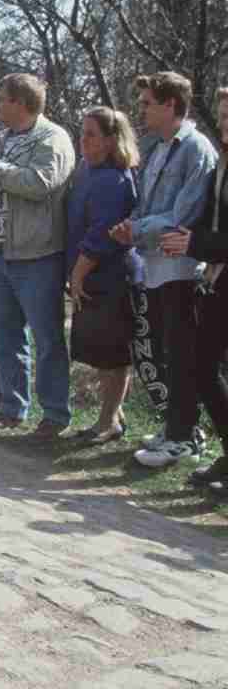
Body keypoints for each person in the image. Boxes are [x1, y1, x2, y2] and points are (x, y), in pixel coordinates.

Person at [0, 73, 76, 438]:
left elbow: (40, 184)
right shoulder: (0, 140)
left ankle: (54, 415)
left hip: (36, 254)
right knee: (5, 334)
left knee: (47, 337)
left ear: (21, 103)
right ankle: (12, 408)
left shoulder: (51, 138)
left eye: (2, 99)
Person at [111, 72, 219, 467]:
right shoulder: (158, 148)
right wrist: (131, 227)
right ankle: (177, 427)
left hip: (182, 269)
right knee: (167, 354)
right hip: (154, 266)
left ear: (171, 104)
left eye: (147, 103)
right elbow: (146, 205)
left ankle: (184, 437)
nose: (141, 110)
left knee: (184, 355)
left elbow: (183, 214)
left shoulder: (195, 149)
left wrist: (137, 229)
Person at [159, 86, 228, 490]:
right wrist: (191, 235)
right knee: (204, 368)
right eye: (220, 115)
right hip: (218, 278)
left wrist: (195, 243)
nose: (222, 122)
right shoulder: (221, 160)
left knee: (205, 367)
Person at [66, 107, 141, 444]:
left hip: (110, 277)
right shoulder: (87, 171)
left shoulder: (114, 177)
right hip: (90, 276)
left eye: (91, 134)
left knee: (113, 355)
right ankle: (114, 417)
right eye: (82, 133)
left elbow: (102, 233)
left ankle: (108, 422)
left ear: (111, 141)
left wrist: (78, 274)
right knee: (98, 352)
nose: (83, 140)